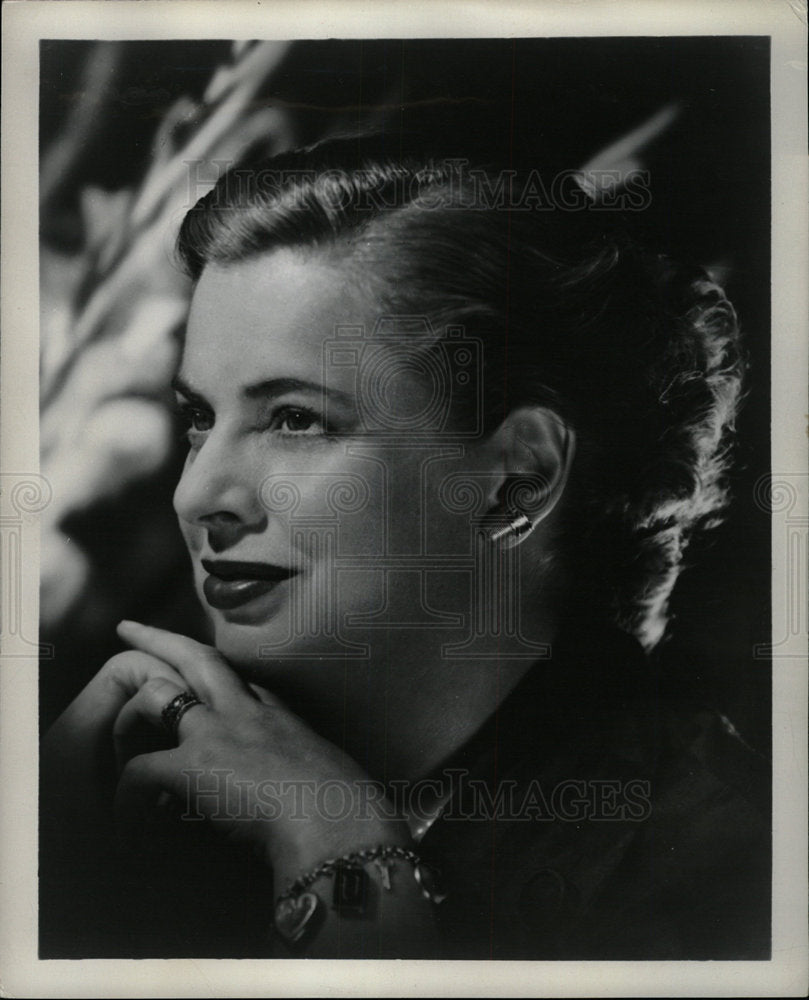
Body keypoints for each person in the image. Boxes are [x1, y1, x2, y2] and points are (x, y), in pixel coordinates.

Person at [40, 135, 769, 959]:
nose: (198, 496)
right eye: (201, 419)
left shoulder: (735, 871)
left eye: (295, 420)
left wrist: (345, 860)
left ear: (515, 479)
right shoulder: (147, 794)